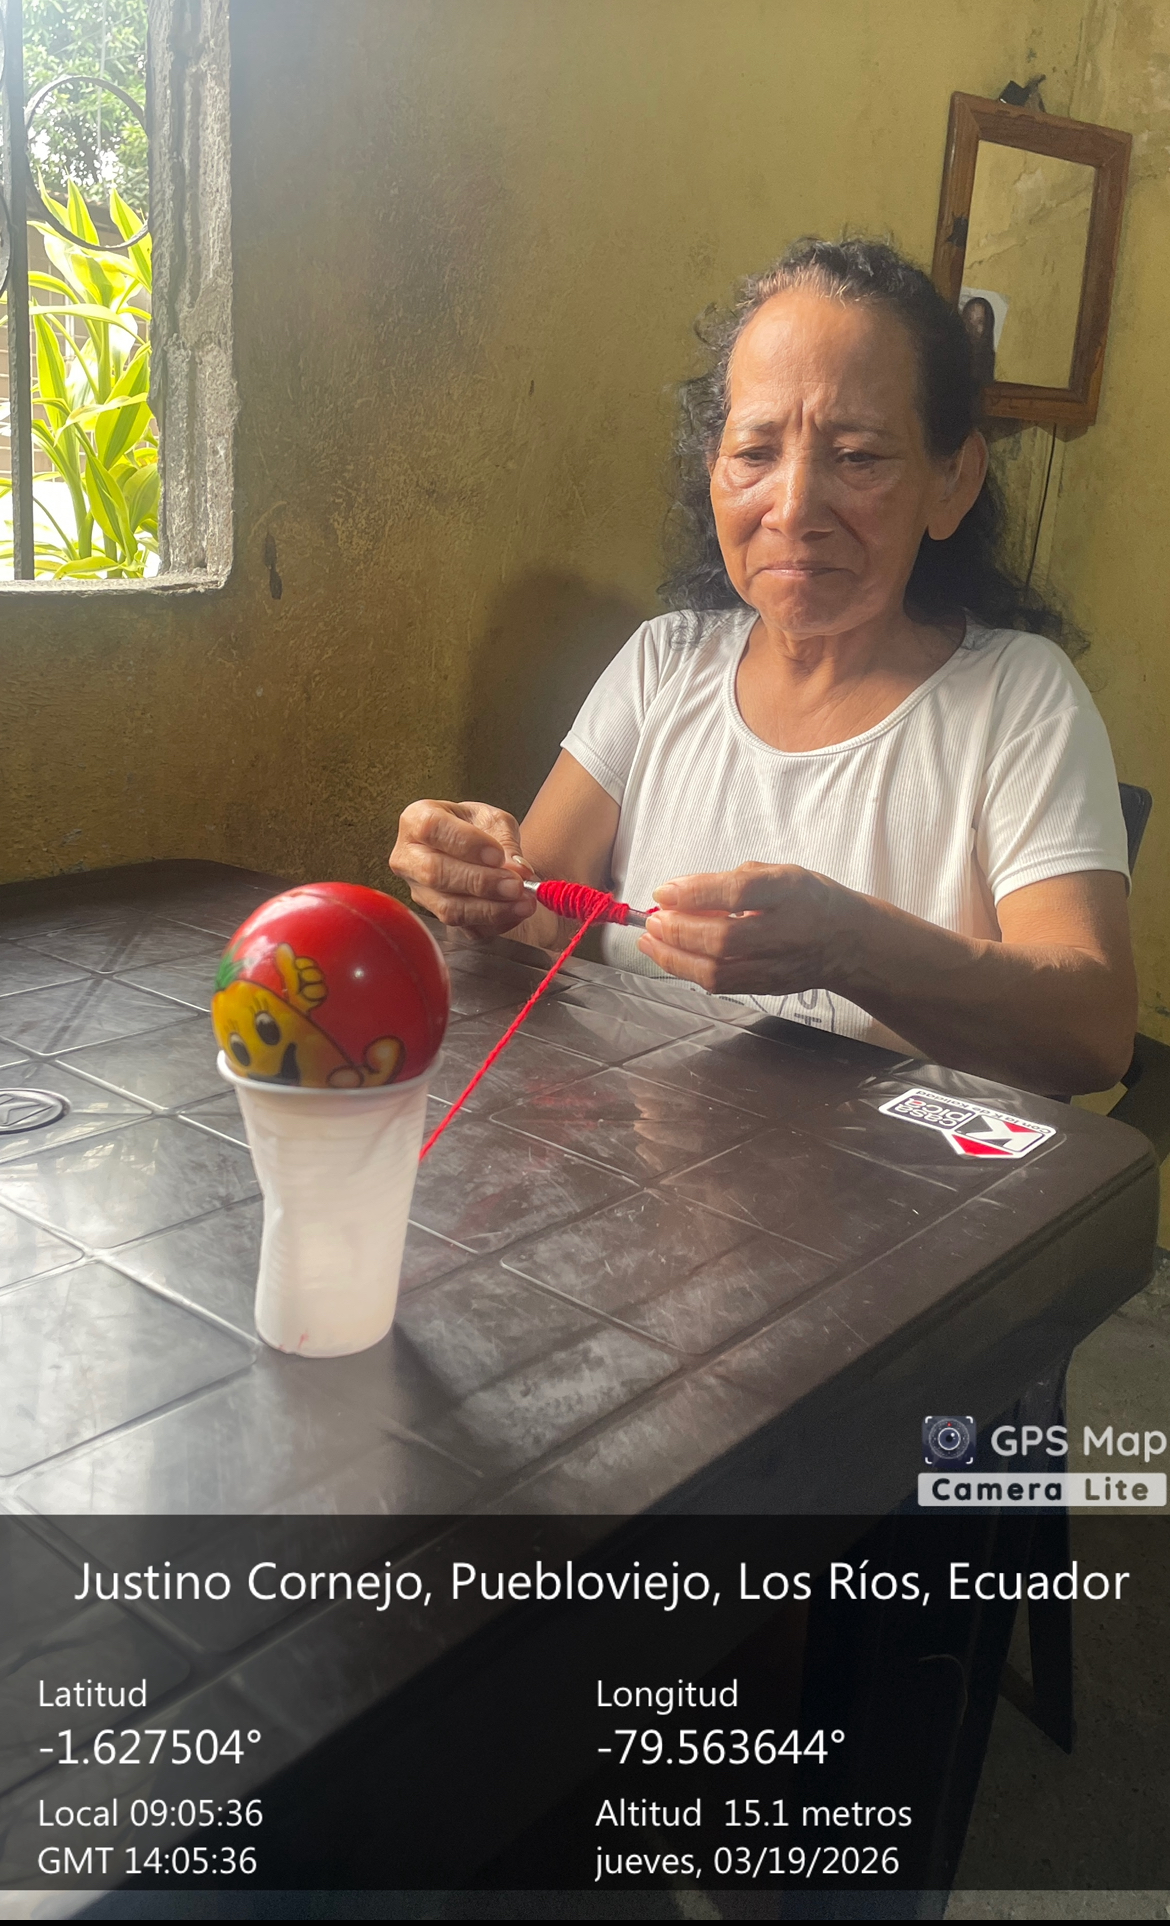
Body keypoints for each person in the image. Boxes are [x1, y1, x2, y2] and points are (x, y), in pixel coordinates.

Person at [390, 238, 1135, 1096]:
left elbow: (1093, 1034)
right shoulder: (664, 664)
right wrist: (467, 876)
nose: (794, 508)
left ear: (953, 481)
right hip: (642, 1154)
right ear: (714, 470)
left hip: (900, 1180)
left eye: (858, 456)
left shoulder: (1019, 699)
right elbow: (534, 921)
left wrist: (850, 948)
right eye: (755, 453)